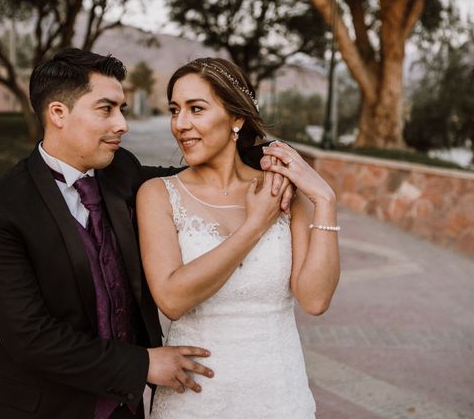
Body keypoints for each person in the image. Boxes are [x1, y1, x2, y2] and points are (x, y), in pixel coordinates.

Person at [0, 48, 291, 419]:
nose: (122, 124)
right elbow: (30, 337)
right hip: (43, 409)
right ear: (58, 113)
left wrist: (273, 159)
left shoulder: (122, 171)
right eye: (106, 109)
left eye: (121, 109)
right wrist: (142, 365)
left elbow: (201, 173)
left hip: (126, 411)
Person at [136, 58, 340, 419]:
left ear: (236, 118)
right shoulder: (157, 194)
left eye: (196, 109)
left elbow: (315, 299)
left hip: (279, 393)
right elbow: (172, 299)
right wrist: (254, 225)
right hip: (195, 398)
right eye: (174, 110)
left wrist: (324, 200)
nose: (180, 124)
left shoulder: (281, 189)